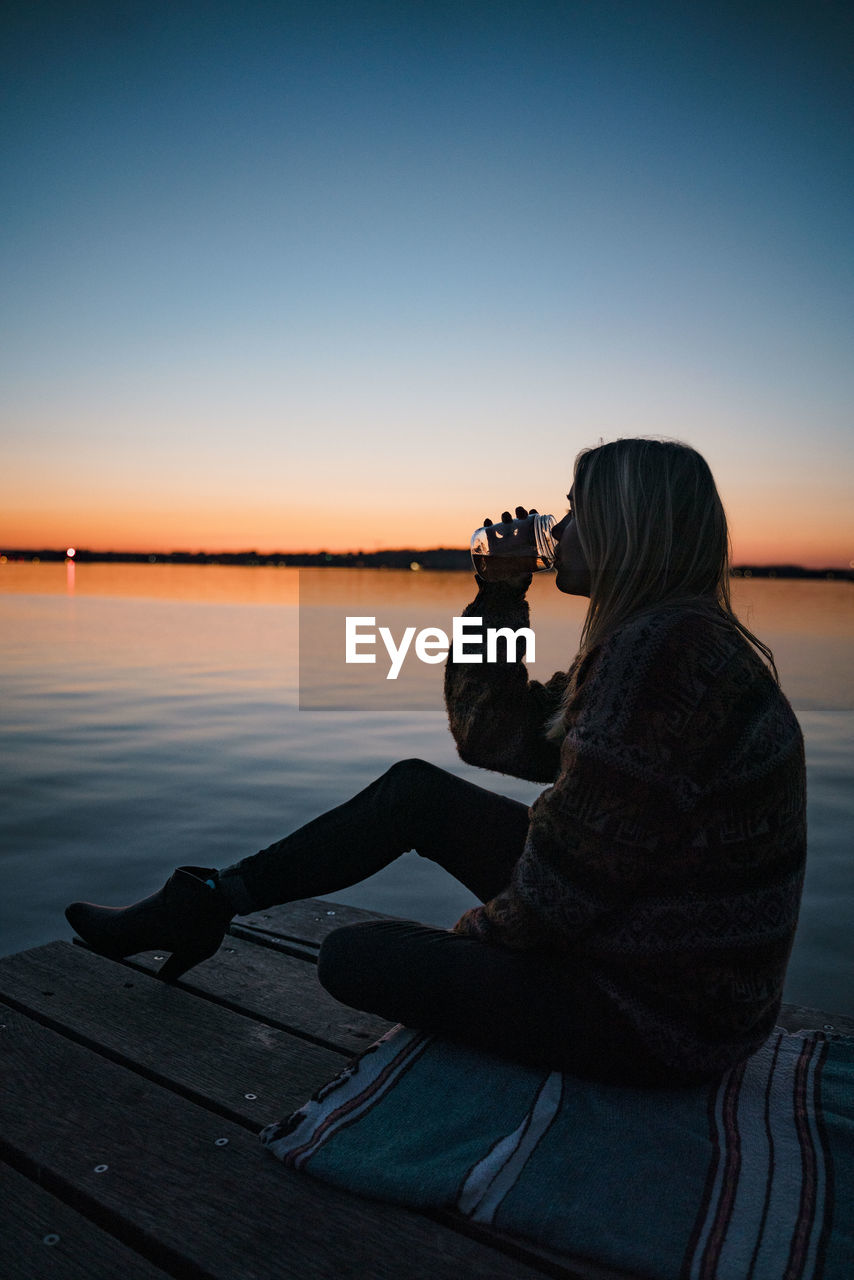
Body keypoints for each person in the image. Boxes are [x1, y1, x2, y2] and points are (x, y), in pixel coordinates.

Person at [65, 438, 807, 1087]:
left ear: (624, 528)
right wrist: (498, 591)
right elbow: (494, 735)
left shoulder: (662, 656)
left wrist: (470, 954)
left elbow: (566, 889)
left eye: (577, 510)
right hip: (654, 952)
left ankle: (201, 910)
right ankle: (202, 905)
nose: (559, 529)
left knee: (354, 958)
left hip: (659, 1015)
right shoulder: (663, 639)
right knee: (414, 793)